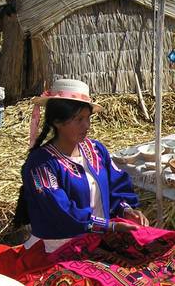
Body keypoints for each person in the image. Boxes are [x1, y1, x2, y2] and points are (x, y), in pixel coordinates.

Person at [13, 79, 148, 253]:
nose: (87, 126)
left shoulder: (96, 150)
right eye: (79, 119)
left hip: (99, 240)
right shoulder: (40, 166)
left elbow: (116, 184)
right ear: (57, 122)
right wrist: (109, 226)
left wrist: (126, 210)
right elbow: (58, 210)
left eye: (88, 118)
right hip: (59, 247)